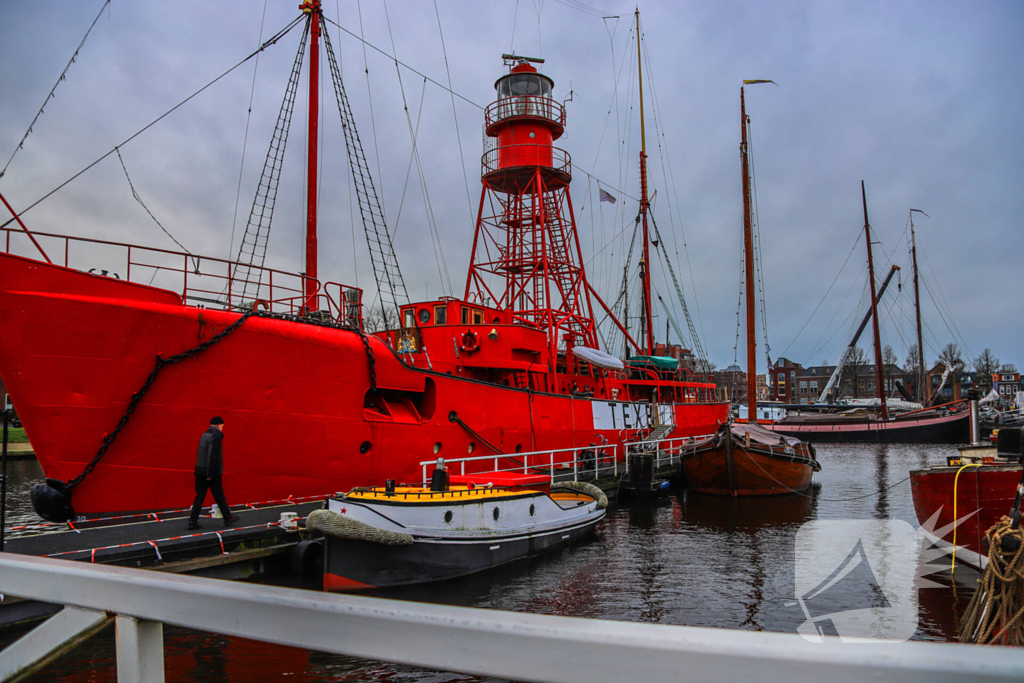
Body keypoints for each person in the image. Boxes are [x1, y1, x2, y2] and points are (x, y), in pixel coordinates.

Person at [188, 416, 239, 530]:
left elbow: (201, 453)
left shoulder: (204, 435)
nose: (222, 428)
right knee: (219, 496)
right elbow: (213, 455)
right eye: (222, 426)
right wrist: (210, 473)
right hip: (211, 472)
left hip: (200, 470)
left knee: (200, 496)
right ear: (218, 425)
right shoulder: (216, 436)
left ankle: (193, 520)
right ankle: (228, 518)